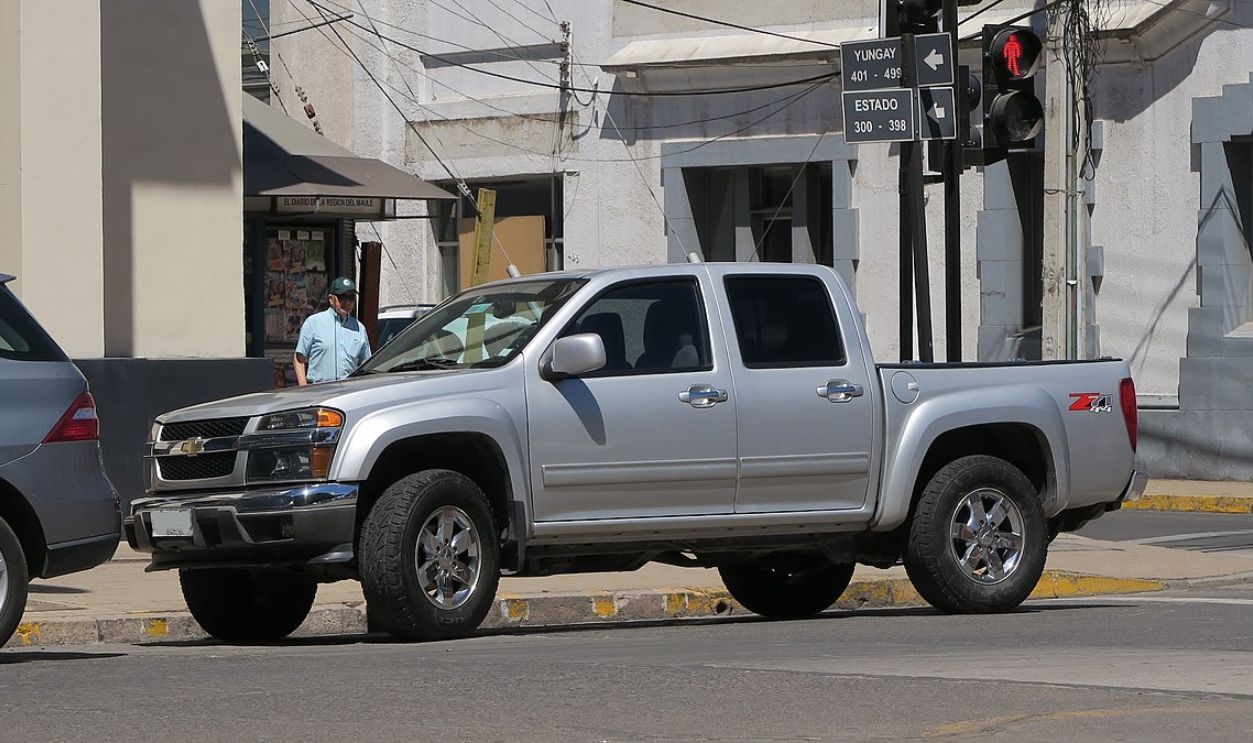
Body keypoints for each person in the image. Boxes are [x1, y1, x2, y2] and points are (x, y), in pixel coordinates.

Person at [293, 277, 372, 385]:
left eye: (351, 298)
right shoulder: (314, 322)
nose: (347, 302)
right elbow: (299, 358)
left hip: (348, 391)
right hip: (319, 390)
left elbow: (366, 364)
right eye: (342, 298)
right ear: (331, 299)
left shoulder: (359, 328)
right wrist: (303, 388)